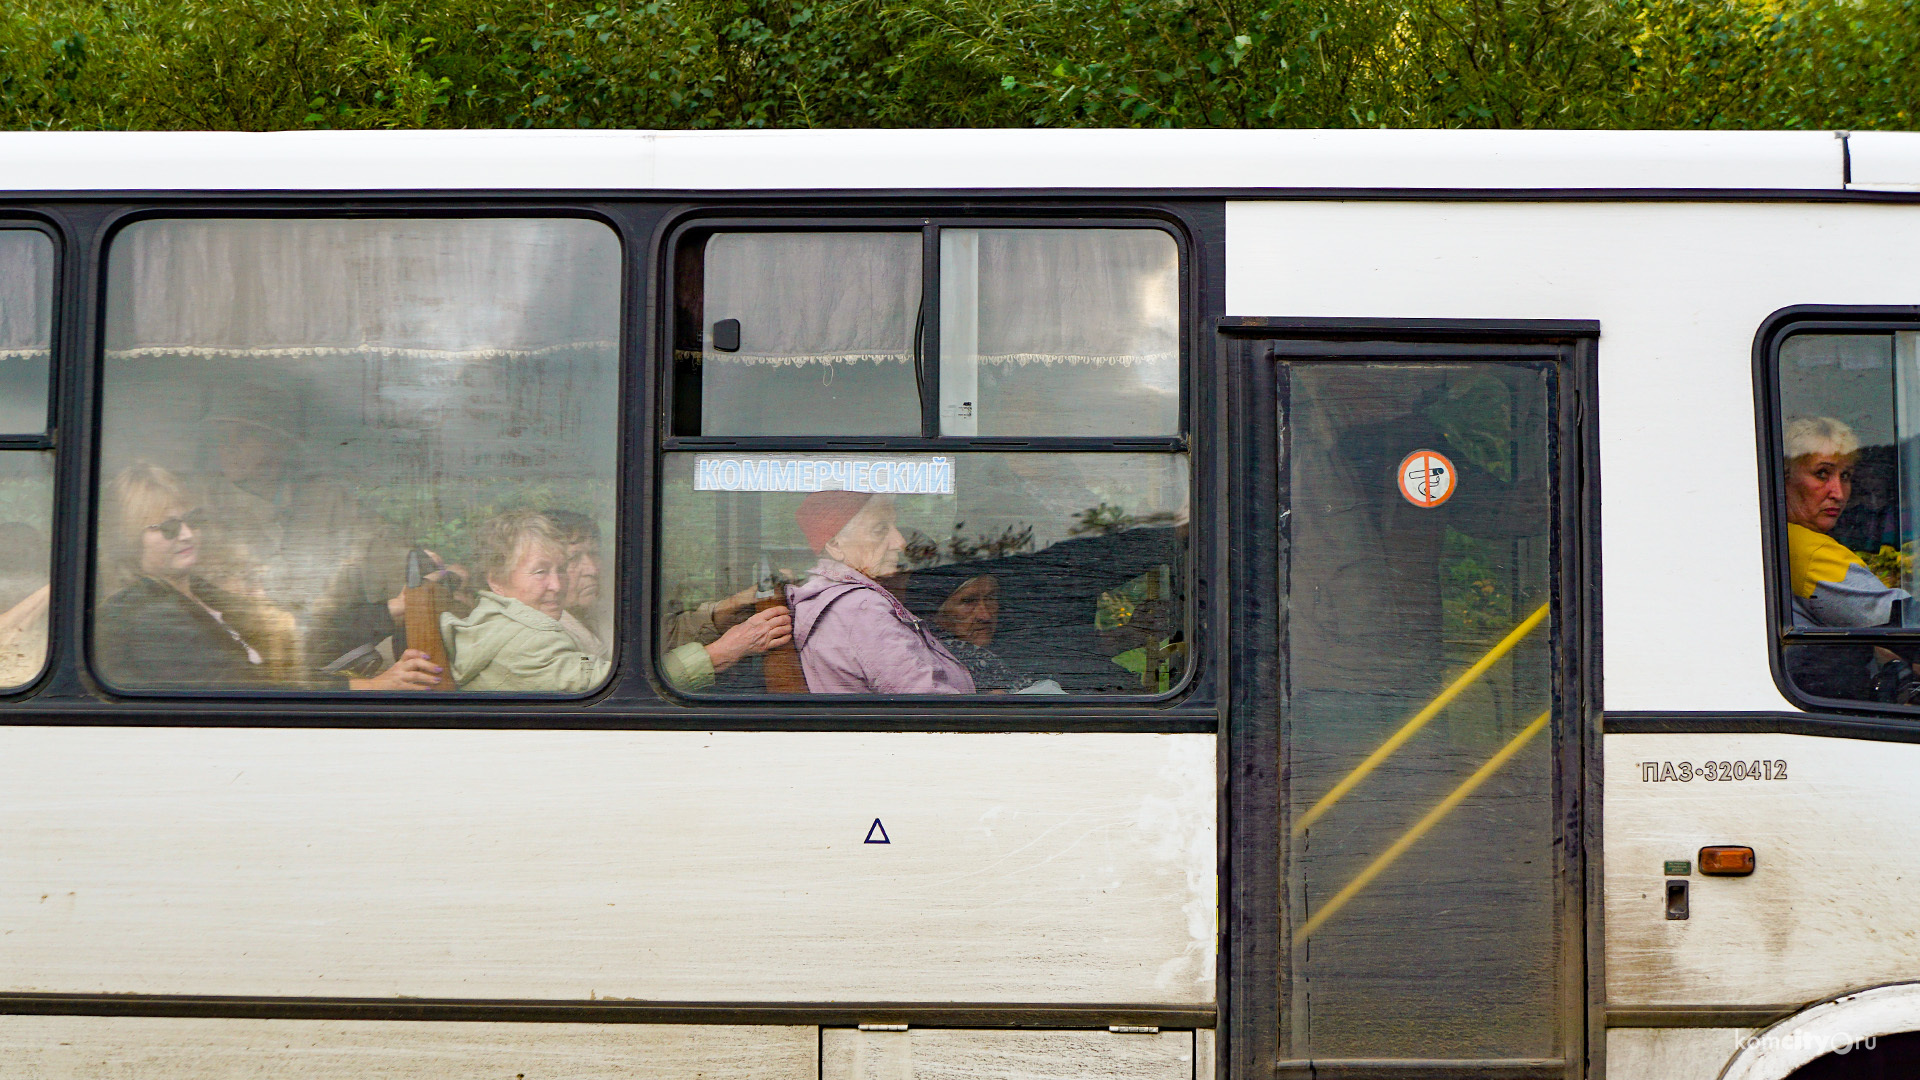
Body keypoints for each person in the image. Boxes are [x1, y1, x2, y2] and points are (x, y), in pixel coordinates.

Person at [95, 463, 441, 691]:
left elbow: (296, 636)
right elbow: (254, 689)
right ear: (128, 538)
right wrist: (375, 686)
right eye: (169, 528)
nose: (187, 534)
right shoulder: (149, 617)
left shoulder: (195, 592)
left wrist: (392, 610)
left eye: (192, 520)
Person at [787, 490, 974, 694]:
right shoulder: (863, 610)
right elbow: (929, 707)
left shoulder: (828, 598)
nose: (900, 542)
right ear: (835, 545)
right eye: (880, 530)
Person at [441, 510, 611, 692]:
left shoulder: (494, 623)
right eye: (540, 572)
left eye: (561, 569)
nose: (557, 585)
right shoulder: (527, 640)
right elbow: (618, 682)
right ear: (497, 580)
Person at [1782, 416, 1910, 627]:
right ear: (1784, 477)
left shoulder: (1774, 540)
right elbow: (1901, 620)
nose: (1839, 494)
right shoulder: (1808, 550)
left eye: (1846, 476)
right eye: (1822, 473)